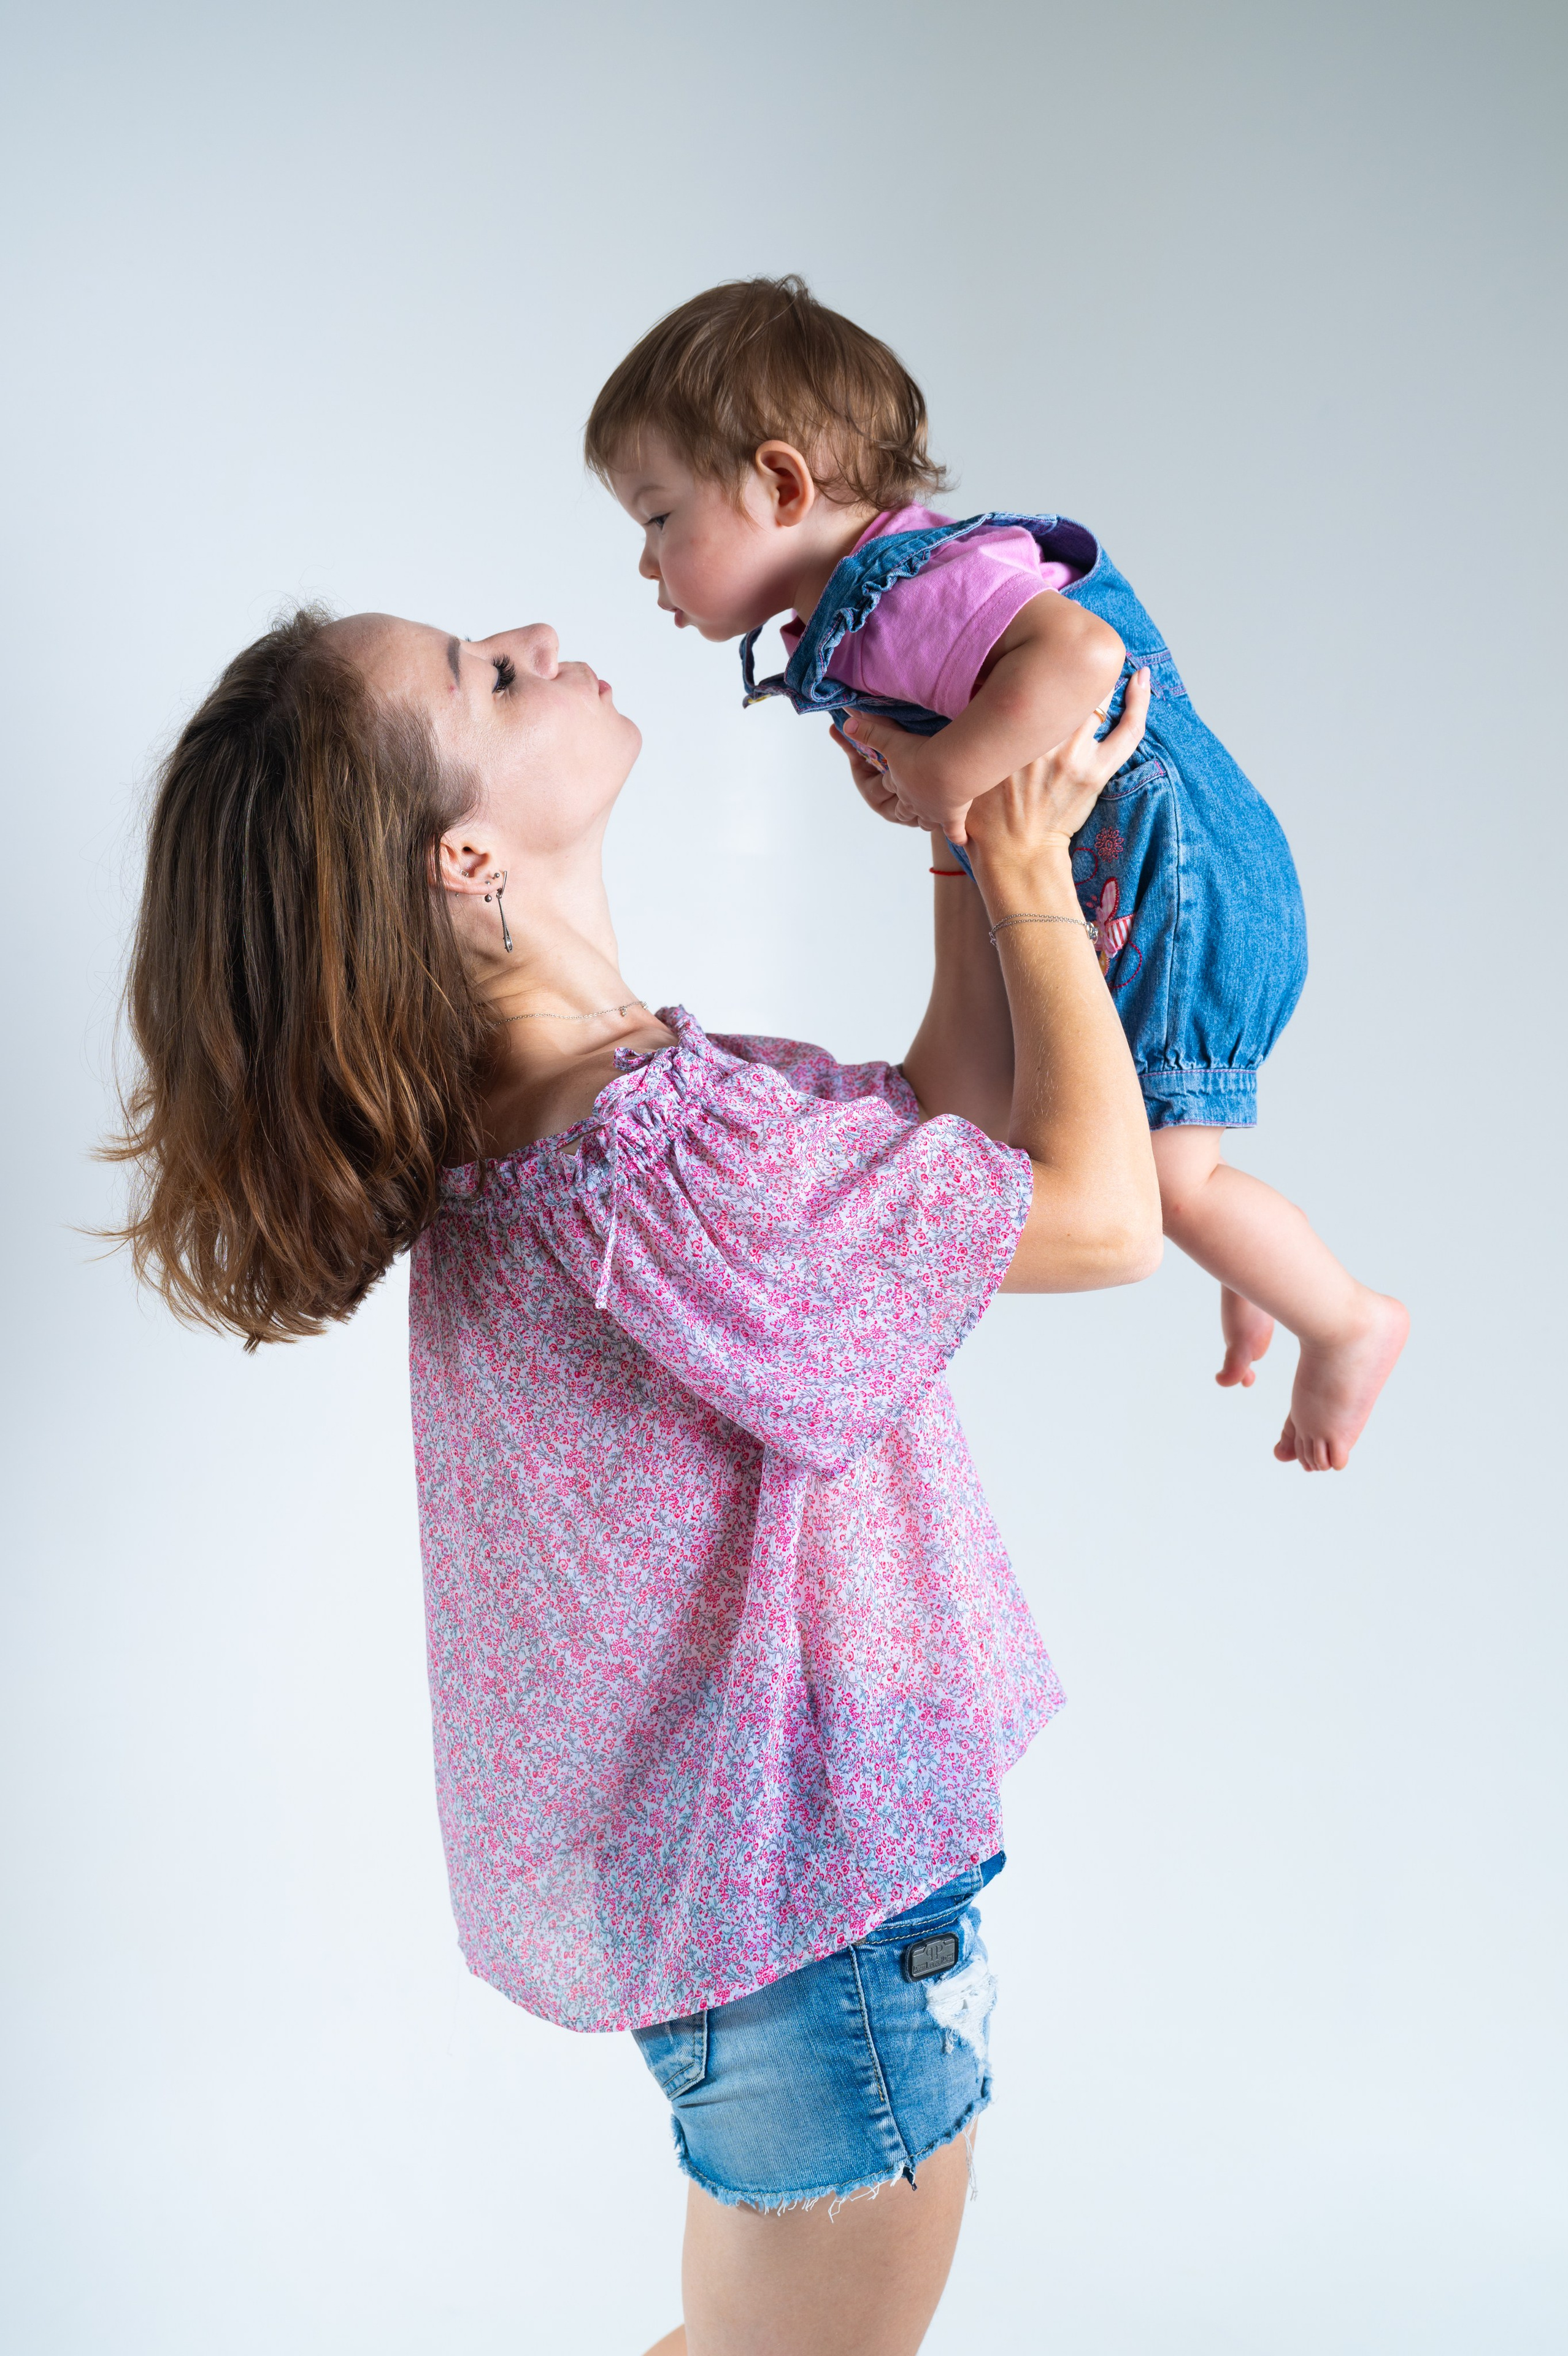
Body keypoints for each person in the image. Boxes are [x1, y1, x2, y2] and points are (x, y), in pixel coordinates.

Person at [110, 602, 1161, 2355]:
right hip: (821, 1932)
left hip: (784, 1915)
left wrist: (965, 848)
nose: (532, 638)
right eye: (487, 679)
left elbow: (942, 1130)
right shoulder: (643, 1156)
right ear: (464, 855)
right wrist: (1039, 870)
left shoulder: (607, 1118)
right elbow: (1103, 1218)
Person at [585, 275, 1409, 1474]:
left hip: (1173, 891)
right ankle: (1264, 1272)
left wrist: (946, 771)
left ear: (777, 484)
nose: (648, 565)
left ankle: (1343, 1318)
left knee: (1165, 1188)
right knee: (1172, 1164)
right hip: (1166, 881)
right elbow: (992, 743)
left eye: (658, 519)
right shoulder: (878, 603)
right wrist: (932, 783)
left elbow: (1077, 652)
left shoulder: (910, 585)